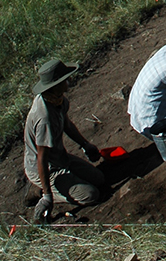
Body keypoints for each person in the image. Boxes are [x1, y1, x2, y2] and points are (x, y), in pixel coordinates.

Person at [23, 57, 105, 223]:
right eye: (64, 79)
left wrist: (85, 145)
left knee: (100, 179)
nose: (68, 81)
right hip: (45, 168)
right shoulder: (44, 117)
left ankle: (57, 185)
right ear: (55, 85)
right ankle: (40, 190)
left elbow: (67, 124)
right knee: (91, 195)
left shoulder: (58, 100)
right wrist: (47, 196)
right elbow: (42, 158)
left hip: (60, 159)